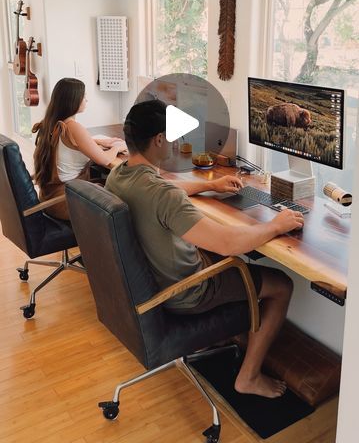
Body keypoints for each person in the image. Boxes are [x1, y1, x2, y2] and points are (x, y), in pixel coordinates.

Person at [105, 99, 305, 399]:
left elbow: (163, 192)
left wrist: (210, 185)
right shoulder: (162, 195)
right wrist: (277, 225)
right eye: (171, 138)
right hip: (186, 292)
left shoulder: (119, 174)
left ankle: (215, 341)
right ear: (158, 140)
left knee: (228, 255)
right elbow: (227, 241)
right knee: (281, 284)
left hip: (151, 278)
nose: (175, 144)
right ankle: (248, 377)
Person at [32, 77, 126, 220]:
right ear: (73, 100)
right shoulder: (72, 126)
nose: (86, 100)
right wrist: (117, 146)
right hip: (66, 203)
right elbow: (105, 160)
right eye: (84, 96)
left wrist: (96, 141)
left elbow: (67, 146)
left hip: (49, 199)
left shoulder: (51, 123)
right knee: (124, 199)